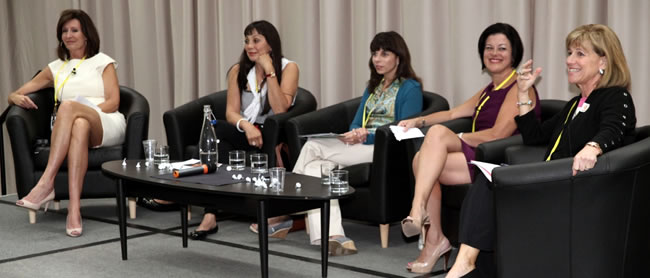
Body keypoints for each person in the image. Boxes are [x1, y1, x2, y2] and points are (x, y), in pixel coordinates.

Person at [446, 24, 636, 278]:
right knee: (488, 183)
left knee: (490, 185)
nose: (570, 60)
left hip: (574, 190)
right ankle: (467, 267)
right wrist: (523, 93)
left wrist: (593, 147)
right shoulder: (575, 105)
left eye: (580, 54)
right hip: (555, 183)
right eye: (569, 53)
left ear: (604, 59)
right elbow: (534, 135)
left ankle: (464, 268)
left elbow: (615, 128)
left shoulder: (615, 97)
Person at [252, 31, 424, 256]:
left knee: (312, 148)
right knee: (316, 169)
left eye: (385, 54)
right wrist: (352, 134)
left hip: (384, 150)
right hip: (359, 146)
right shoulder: (374, 86)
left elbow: (403, 128)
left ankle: (285, 209)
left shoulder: (410, 88)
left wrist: (367, 136)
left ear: (399, 58)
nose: (378, 59)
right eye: (374, 54)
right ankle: (332, 236)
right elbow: (356, 121)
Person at [397, 23, 541, 274]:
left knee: (437, 139)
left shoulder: (518, 88)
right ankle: (434, 237)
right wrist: (417, 121)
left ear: (514, 53)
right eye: (489, 48)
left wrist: (459, 136)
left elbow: (498, 135)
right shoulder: (489, 89)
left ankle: (425, 226)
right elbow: (454, 112)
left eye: (502, 48)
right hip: (476, 155)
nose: (494, 53)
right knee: (422, 159)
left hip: (498, 160)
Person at [11, 9, 125, 237]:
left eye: (75, 30)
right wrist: (12, 97)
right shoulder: (56, 68)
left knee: (70, 108)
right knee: (79, 124)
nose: (69, 35)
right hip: (74, 127)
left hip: (105, 121)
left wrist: (81, 109)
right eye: (64, 31)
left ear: (86, 35)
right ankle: (74, 210)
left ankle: (46, 183)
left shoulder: (102, 61)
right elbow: (21, 90)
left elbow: (113, 102)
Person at [187, 20, 300, 240]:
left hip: (273, 133)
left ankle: (209, 207)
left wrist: (269, 72)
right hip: (246, 130)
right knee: (215, 133)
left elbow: (280, 109)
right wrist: (246, 126)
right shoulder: (238, 71)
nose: (250, 45)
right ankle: (210, 214)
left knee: (214, 146)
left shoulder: (289, 68)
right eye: (247, 40)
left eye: (256, 40)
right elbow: (231, 112)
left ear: (271, 44)